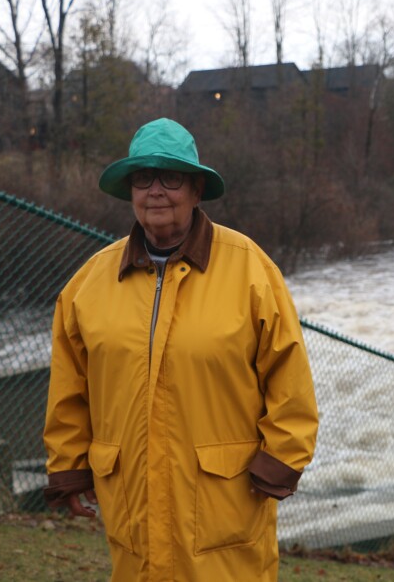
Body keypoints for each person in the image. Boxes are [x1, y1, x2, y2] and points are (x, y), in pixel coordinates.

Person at [43, 118, 319, 581]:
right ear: (130, 191)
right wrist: (69, 467)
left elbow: (290, 379)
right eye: (143, 177)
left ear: (195, 190)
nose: (156, 190)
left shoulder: (249, 269)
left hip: (224, 506)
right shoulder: (89, 283)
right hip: (132, 503)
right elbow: (70, 387)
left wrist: (280, 461)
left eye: (170, 178)